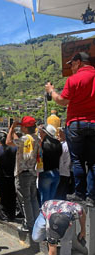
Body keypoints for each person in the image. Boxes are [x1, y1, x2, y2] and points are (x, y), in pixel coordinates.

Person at [45, 51, 95, 207]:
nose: (72, 68)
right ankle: (92, 196)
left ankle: (80, 194)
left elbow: (62, 101)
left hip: (75, 124)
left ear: (79, 62)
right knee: (94, 162)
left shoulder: (74, 79)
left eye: (72, 64)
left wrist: (51, 91)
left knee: (78, 160)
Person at [6, 116, 40, 232]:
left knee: (25, 201)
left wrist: (11, 129)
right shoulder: (35, 138)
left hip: (22, 172)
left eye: (21, 126)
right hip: (32, 172)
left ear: (26, 128)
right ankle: (35, 222)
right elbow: (18, 142)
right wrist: (15, 130)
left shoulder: (25, 139)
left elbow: (8, 142)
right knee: (33, 199)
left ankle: (29, 224)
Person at [37, 124, 62, 205]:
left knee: (44, 200)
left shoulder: (43, 144)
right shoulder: (58, 143)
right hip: (56, 173)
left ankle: (44, 217)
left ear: (45, 133)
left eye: (41, 132)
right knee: (51, 200)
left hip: (46, 173)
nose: (40, 133)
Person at [55, 128, 72, 200]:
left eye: (60, 133)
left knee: (59, 192)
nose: (59, 135)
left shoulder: (63, 145)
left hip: (61, 171)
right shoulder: (70, 145)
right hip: (66, 171)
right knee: (63, 192)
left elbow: (60, 158)